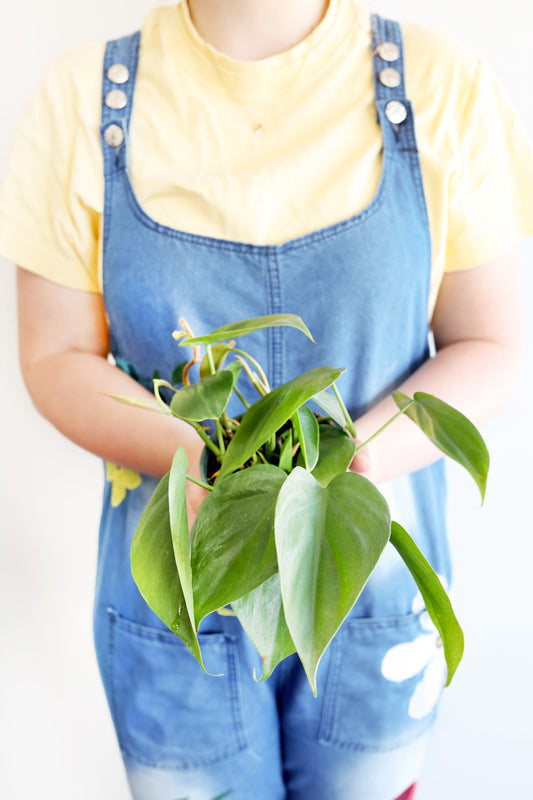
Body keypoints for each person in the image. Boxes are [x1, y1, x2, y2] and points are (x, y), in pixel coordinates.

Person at [1, 1, 532, 798]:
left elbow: (487, 341)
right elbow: (55, 355)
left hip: (368, 592)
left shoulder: (439, 84)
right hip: (183, 592)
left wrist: (339, 466)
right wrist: (213, 466)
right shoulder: (85, 96)